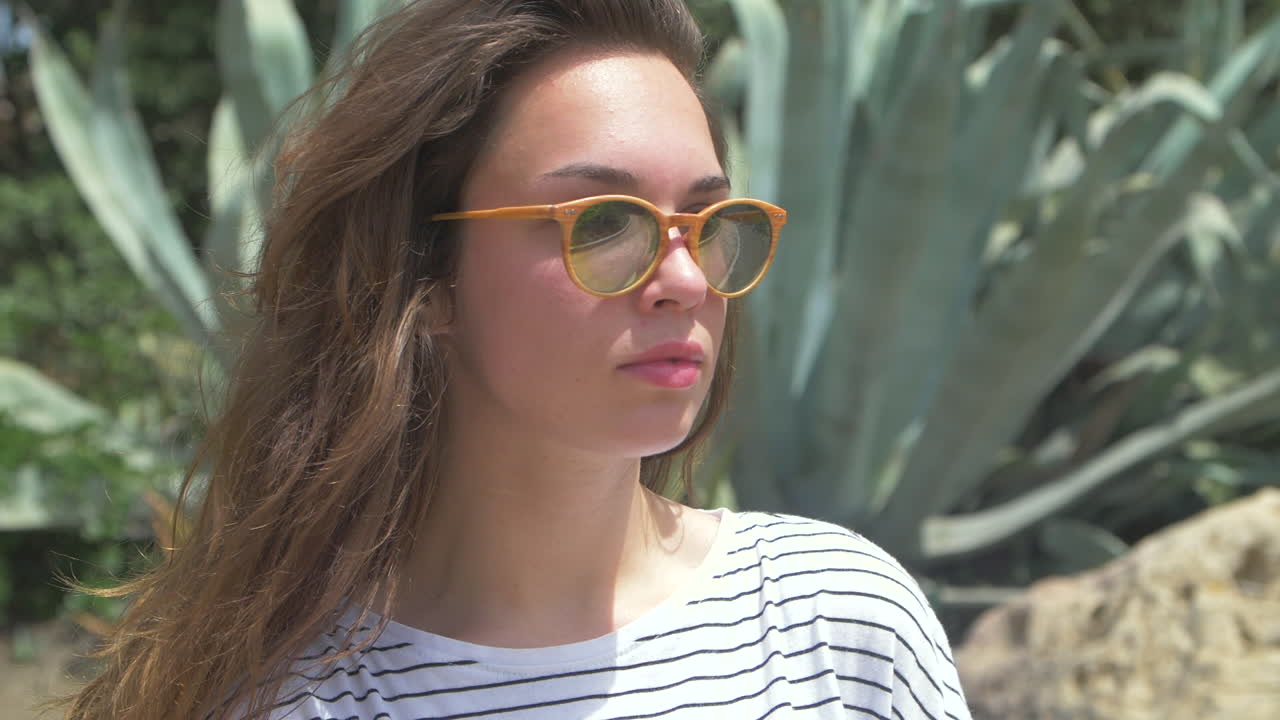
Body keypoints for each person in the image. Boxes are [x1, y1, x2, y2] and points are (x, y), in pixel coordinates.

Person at [51, 1, 971, 718]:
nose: (685, 279)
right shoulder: (293, 700)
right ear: (427, 274)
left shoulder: (836, 622)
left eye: (708, 221)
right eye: (606, 226)